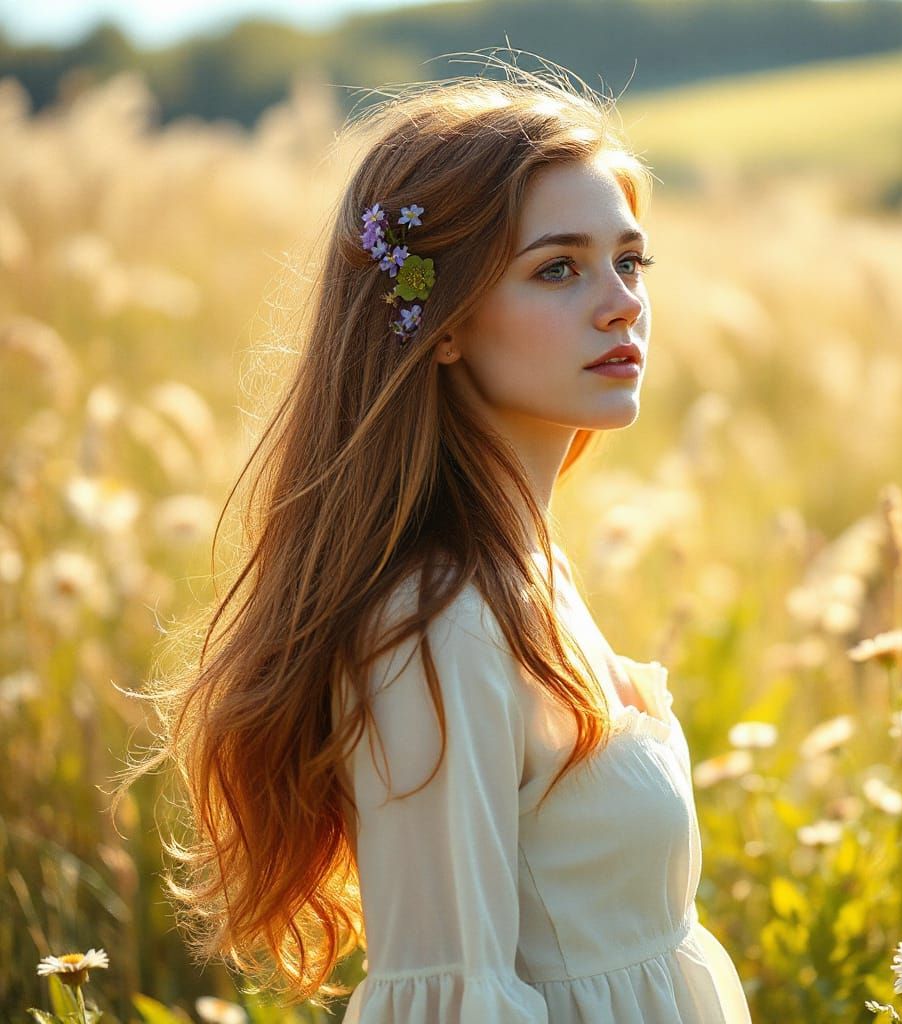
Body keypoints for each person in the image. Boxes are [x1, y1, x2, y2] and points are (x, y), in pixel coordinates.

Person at [112, 56, 753, 1023]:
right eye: (558, 268)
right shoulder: (437, 623)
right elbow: (451, 1001)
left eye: (631, 260)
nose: (622, 301)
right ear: (441, 325)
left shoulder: (527, 569)